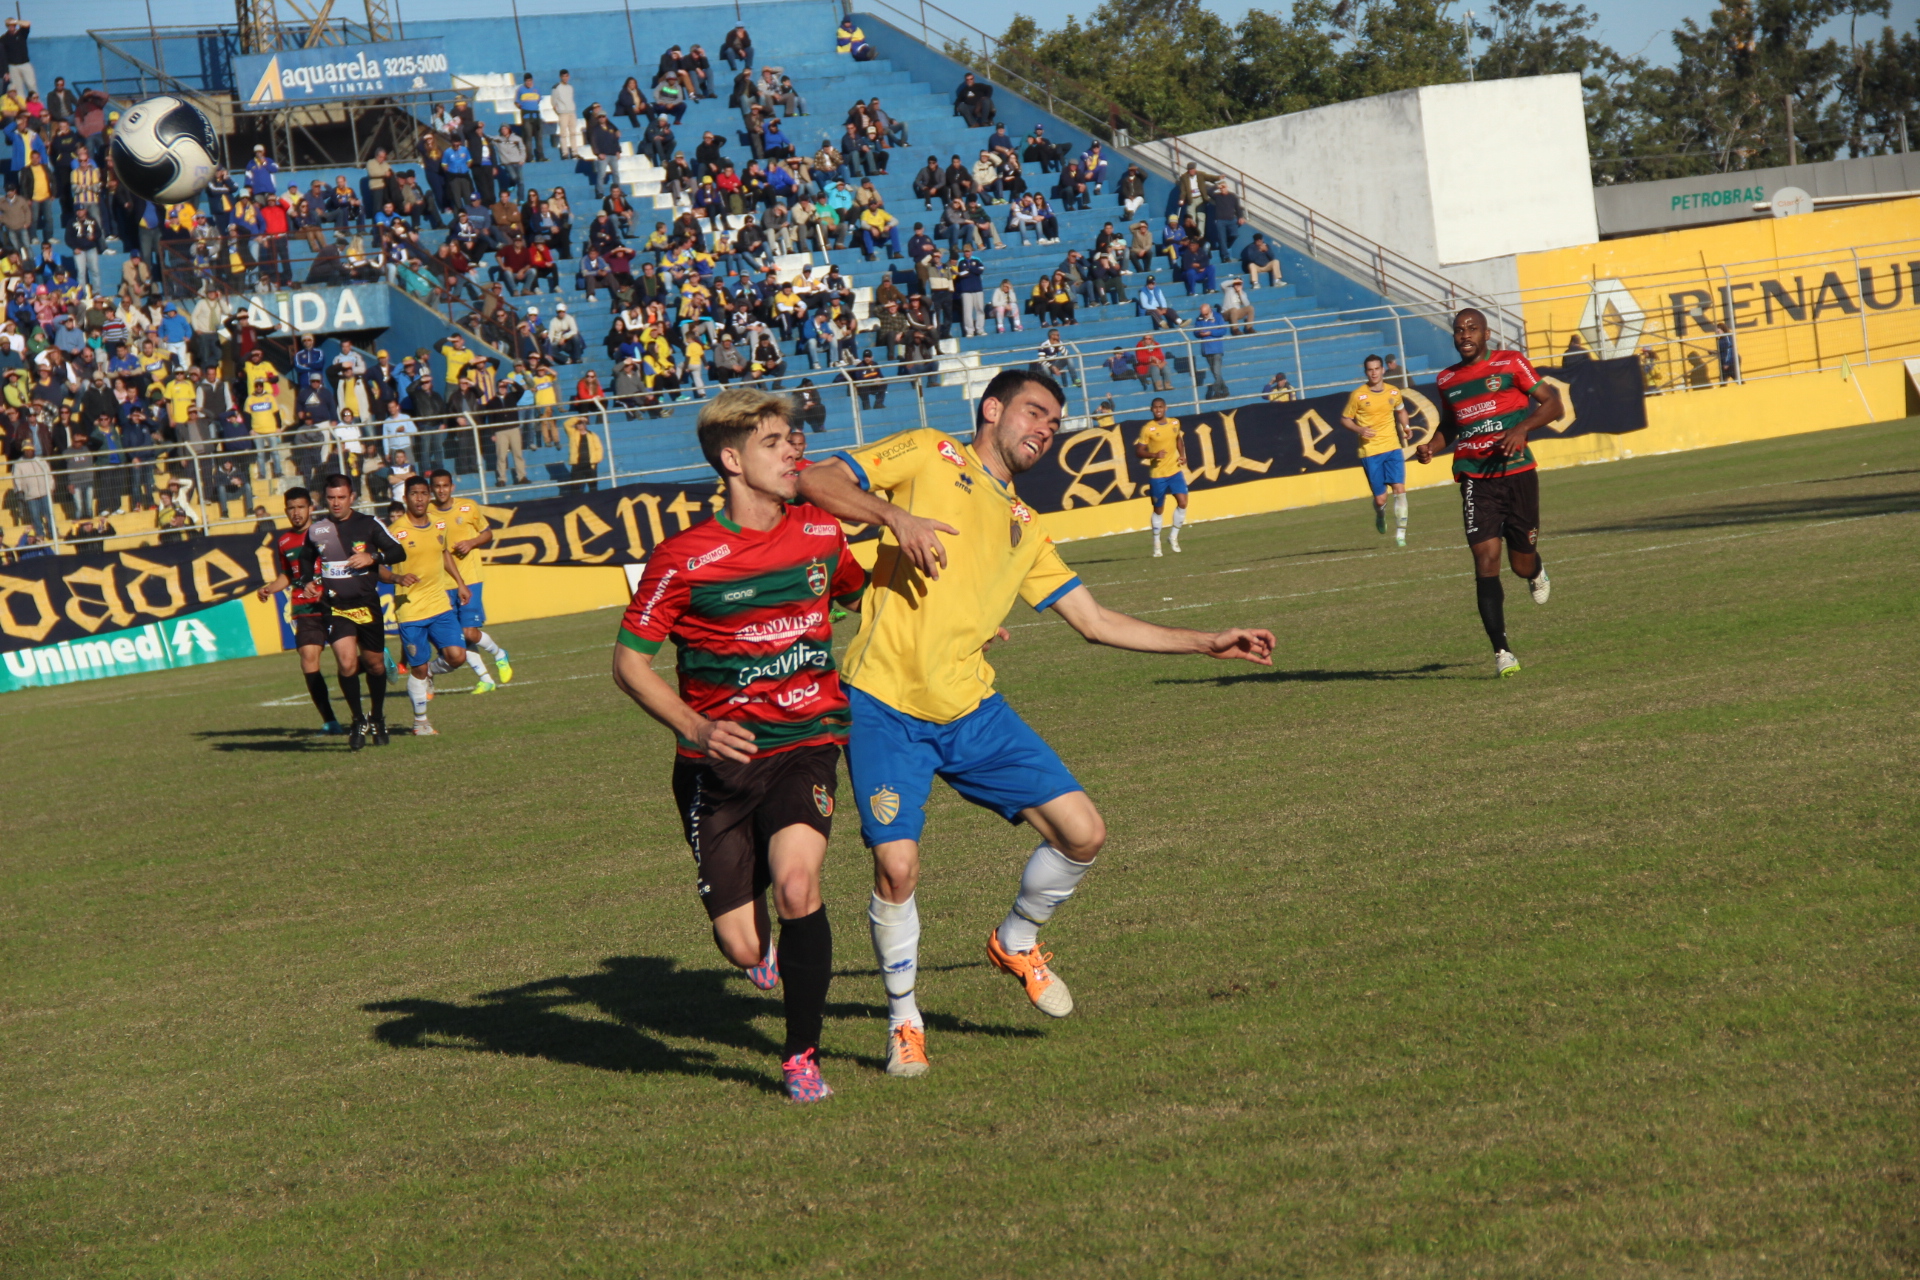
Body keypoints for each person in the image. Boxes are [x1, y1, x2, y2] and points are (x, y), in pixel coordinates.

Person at [796, 371, 1276, 1077]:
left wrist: (1204, 640)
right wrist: (892, 516)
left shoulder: (1025, 525)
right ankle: (904, 1021)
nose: (1046, 430)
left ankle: (1016, 941)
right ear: (993, 410)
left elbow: (1094, 621)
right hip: (885, 706)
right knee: (896, 866)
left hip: (972, 710)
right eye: (1035, 412)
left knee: (1085, 833)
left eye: (1055, 422)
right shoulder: (931, 453)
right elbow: (816, 479)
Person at [611, 389, 868, 1104]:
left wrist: (951, 630)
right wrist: (694, 727)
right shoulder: (683, 559)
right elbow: (629, 662)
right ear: (731, 460)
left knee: (797, 884)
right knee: (744, 946)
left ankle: (799, 1055)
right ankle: (763, 957)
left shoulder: (821, 533)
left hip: (805, 741)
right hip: (713, 769)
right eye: (774, 442)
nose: (795, 452)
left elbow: (865, 600)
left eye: (793, 439)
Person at [1414, 309, 1561, 678]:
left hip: (1518, 474)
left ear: (1486, 333)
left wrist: (1522, 428)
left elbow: (1553, 402)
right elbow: (1451, 424)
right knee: (1485, 561)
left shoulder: (1510, 363)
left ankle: (1536, 570)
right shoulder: (1446, 379)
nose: (1464, 335)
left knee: (1520, 563)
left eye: (1472, 329)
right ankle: (1502, 651)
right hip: (1474, 479)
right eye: (1458, 330)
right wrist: (1433, 444)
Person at [305, 473, 407, 748]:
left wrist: (372, 556)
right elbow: (306, 561)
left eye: (341, 497)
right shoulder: (317, 530)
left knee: (374, 665)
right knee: (347, 662)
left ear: (352, 497)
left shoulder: (369, 524)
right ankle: (357, 719)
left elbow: (398, 552)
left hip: (367, 605)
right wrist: (309, 583)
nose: (336, 503)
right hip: (334, 607)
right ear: (324, 499)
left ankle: (377, 716)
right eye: (331, 498)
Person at [256, 487, 347, 733]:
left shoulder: (327, 532)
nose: (296, 513)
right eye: (291, 508)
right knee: (308, 659)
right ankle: (330, 721)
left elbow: (340, 565)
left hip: (334, 604)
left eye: (301, 507)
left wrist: (323, 585)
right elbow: (288, 574)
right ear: (286, 510)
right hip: (304, 608)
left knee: (348, 662)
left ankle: (376, 660)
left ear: (311, 508)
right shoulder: (284, 541)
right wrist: (270, 588)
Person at [388, 476, 471, 737]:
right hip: (410, 609)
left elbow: (444, 553)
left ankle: (429, 675)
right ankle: (420, 722)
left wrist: (460, 582)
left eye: (424, 493)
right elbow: (377, 564)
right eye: (414, 494)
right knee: (418, 667)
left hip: (439, 603)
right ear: (406, 498)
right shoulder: (394, 531)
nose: (420, 498)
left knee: (458, 656)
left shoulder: (439, 524)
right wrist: (397, 578)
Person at [428, 469, 513, 692]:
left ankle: (499, 653)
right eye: (437, 486)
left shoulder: (468, 507)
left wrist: (472, 543)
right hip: (442, 583)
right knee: (459, 637)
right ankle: (485, 679)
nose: (441, 490)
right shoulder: (427, 512)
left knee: (469, 632)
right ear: (432, 489)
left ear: (452, 487)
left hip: (470, 578)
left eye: (445, 485)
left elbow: (488, 533)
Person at [1340, 354, 1413, 546]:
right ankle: (1380, 514)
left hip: (1393, 447)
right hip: (1370, 451)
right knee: (1381, 499)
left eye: (1376, 369)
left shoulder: (1393, 392)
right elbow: (1345, 419)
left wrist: (1406, 427)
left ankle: (1401, 535)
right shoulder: (1358, 395)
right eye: (1370, 370)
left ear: (1382, 370)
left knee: (1400, 489)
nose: (1374, 372)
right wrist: (1359, 429)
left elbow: (1401, 410)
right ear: (1366, 372)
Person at [1134, 398, 1188, 557]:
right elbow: (1138, 451)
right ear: (1151, 409)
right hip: (1158, 474)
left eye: (1160, 407)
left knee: (1183, 502)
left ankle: (1173, 537)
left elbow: (1179, 439)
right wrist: (1153, 455)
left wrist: (1183, 455)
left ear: (1166, 408)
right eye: (1155, 408)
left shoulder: (1175, 423)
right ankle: (1157, 543)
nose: (1158, 410)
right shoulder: (1147, 429)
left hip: (1175, 471)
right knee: (1158, 509)